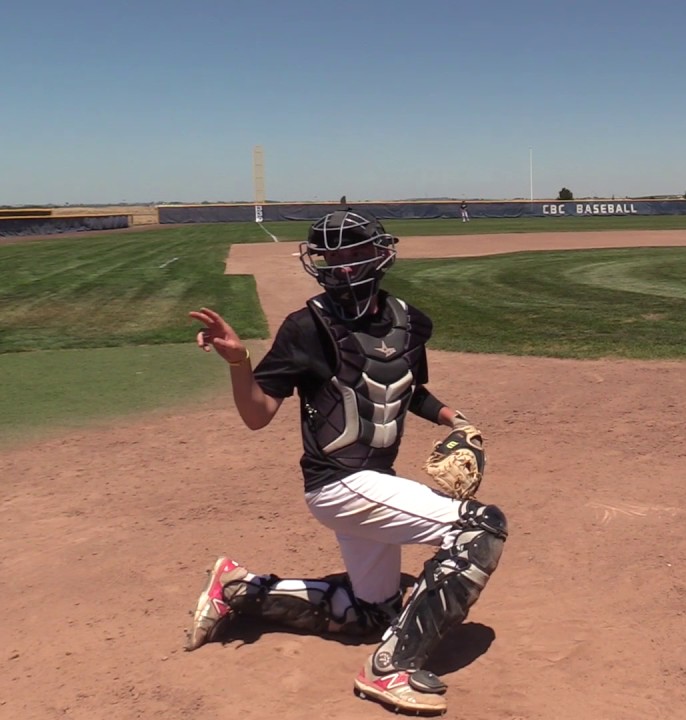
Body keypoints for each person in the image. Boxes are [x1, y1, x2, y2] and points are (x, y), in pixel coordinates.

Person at [184, 209, 507, 716]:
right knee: (481, 527)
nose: (344, 266)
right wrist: (238, 362)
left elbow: (406, 389)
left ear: (380, 253)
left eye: (353, 251)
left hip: (374, 484)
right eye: (332, 255)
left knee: (373, 613)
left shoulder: (409, 320)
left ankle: (240, 589)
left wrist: (456, 420)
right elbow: (257, 414)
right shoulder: (306, 327)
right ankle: (391, 668)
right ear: (318, 264)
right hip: (337, 484)